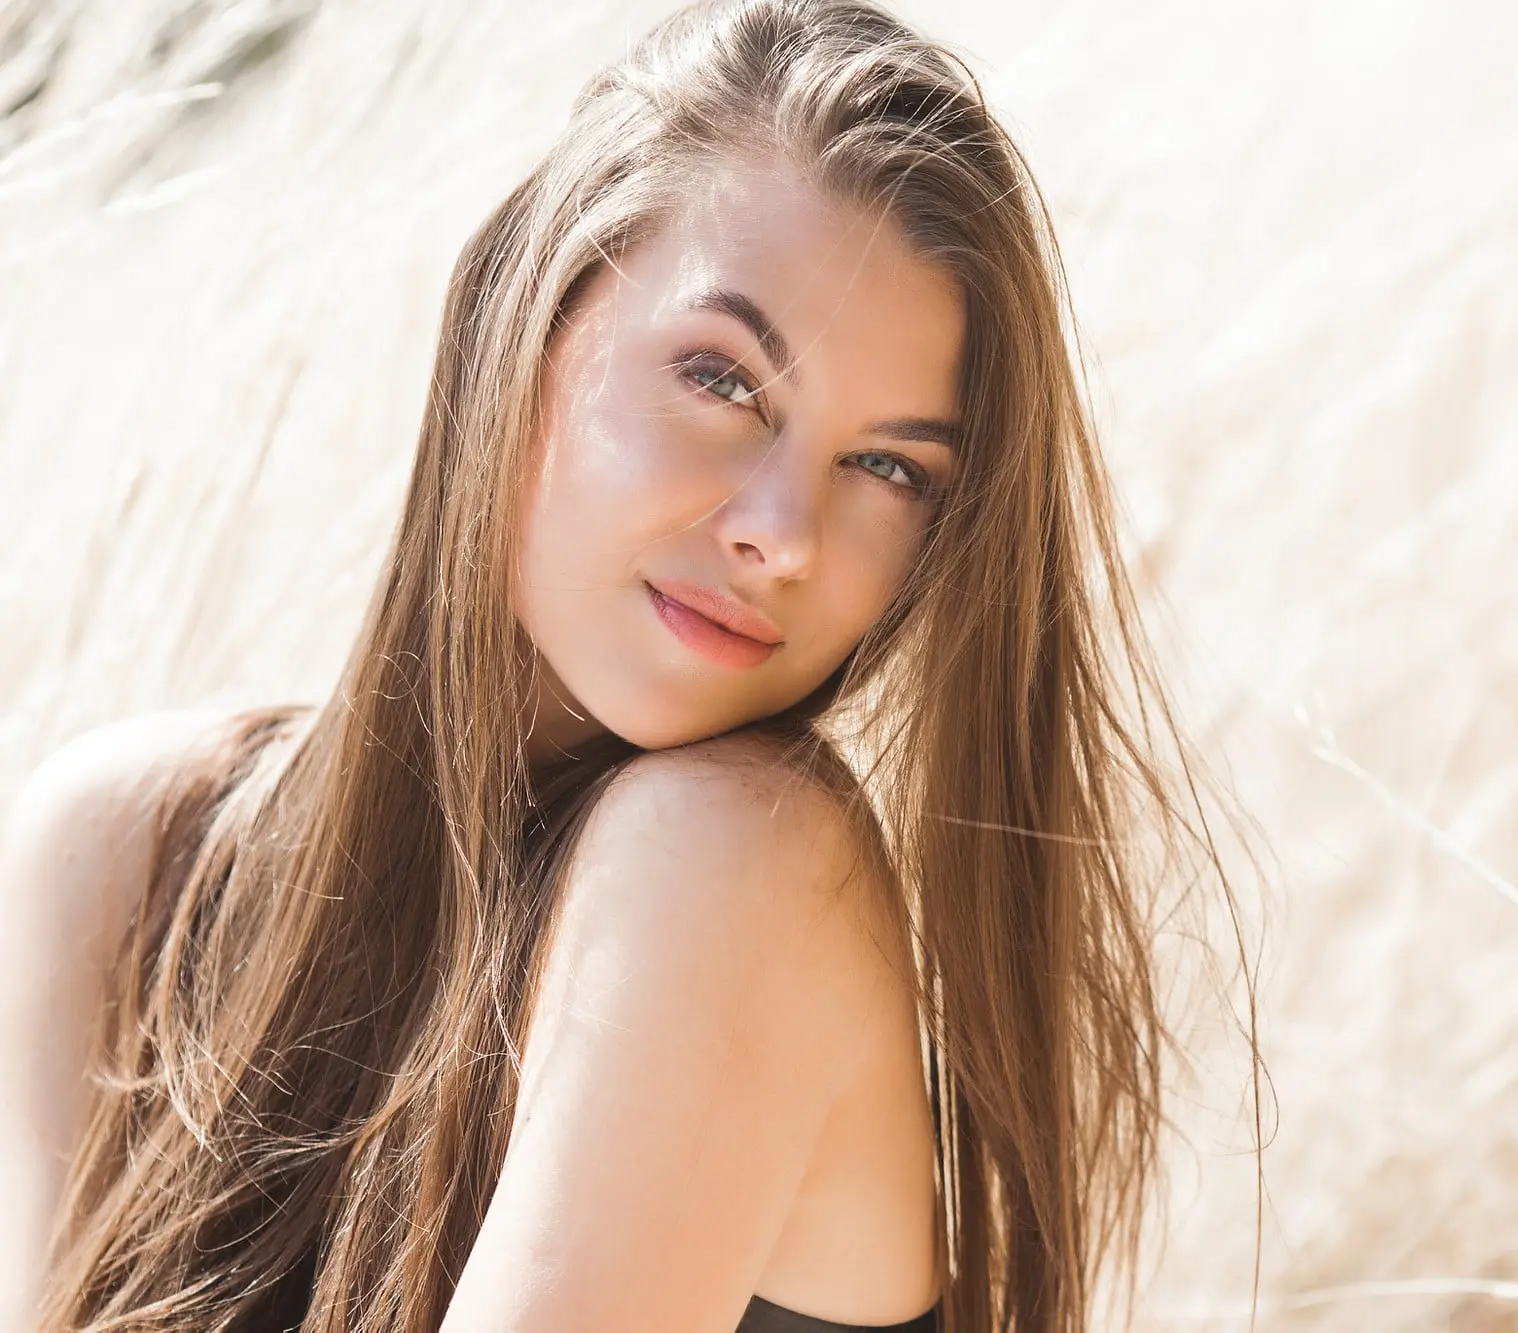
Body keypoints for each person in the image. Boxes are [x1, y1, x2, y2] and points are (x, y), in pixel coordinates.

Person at [0, 1, 1255, 1329]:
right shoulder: (128, 853)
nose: (783, 532)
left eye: (889, 467)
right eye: (724, 381)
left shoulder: (739, 858)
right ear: (521, 319)